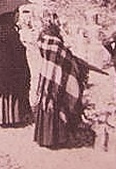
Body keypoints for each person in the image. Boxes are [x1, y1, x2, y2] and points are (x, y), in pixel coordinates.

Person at [34, 13, 88, 149]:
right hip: (56, 80)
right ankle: (55, 139)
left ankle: (42, 137)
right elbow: (67, 59)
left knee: (46, 102)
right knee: (56, 104)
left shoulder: (43, 42)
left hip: (46, 78)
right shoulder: (57, 45)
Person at [0, 9, 32, 127]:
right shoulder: (10, 32)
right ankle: (9, 117)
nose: (18, 16)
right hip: (6, 73)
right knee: (20, 77)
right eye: (17, 14)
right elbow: (17, 53)